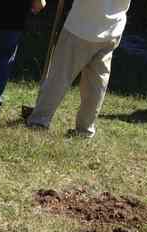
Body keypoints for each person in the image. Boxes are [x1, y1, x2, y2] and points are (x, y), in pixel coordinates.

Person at [26, 0, 132, 138]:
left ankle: (39, 121)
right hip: (112, 29)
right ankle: (85, 129)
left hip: (81, 27)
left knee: (60, 76)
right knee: (96, 82)